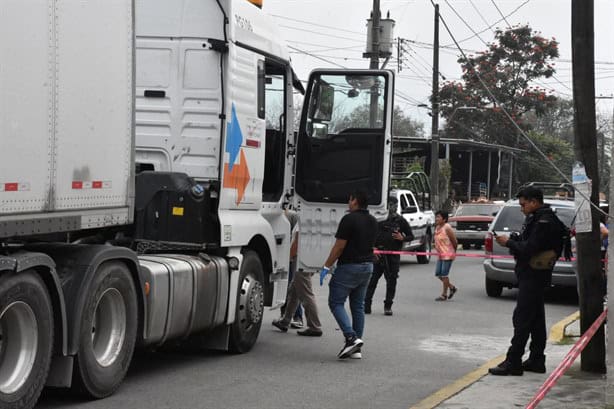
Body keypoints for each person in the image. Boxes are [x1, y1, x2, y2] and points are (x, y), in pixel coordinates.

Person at [489, 186, 567, 376]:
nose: (522, 208)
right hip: (533, 274)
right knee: (536, 320)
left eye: (524, 204)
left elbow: (530, 248)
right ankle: (536, 359)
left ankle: (513, 361)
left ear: (534, 202)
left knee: (522, 319)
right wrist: (515, 239)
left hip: (533, 274)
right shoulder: (540, 218)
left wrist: (509, 242)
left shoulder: (543, 221)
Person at [319, 190, 378, 359]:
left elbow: (339, 246)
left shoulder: (349, 219)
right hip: (367, 267)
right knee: (357, 306)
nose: (348, 202)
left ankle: (351, 338)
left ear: (355, 201)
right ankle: (356, 347)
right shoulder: (373, 221)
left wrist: (326, 266)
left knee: (335, 302)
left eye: (350, 199)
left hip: (349, 267)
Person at [272, 210, 323, 337]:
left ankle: (315, 326)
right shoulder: (312, 218)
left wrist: (287, 257)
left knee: (306, 294)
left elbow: (298, 241)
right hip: (306, 260)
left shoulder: (306, 218)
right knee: (293, 292)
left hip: (302, 262)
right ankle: (285, 321)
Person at [365, 195, 414, 316]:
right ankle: (366, 305)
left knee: (391, 281)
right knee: (372, 280)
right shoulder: (378, 219)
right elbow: (369, 235)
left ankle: (388, 306)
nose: (394, 207)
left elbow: (410, 236)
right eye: (392, 204)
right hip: (378, 255)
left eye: (396, 205)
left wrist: (402, 238)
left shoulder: (400, 220)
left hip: (393, 256)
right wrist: (373, 248)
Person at [279, 209, 304, 328]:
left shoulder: (292, 216)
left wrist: (289, 256)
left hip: (292, 256)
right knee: (286, 286)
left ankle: (296, 316)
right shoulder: (277, 217)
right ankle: (285, 316)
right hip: (283, 254)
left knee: (293, 286)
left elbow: (296, 239)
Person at [433, 210, 458, 301]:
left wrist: (453, 252)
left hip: (448, 254)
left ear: (444, 219)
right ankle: (452, 287)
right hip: (440, 254)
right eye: (436, 217)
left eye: (439, 217)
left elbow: (454, 241)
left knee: (444, 274)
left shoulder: (447, 227)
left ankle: (444, 294)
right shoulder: (437, 227)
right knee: (438, 273)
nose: (437, 219)